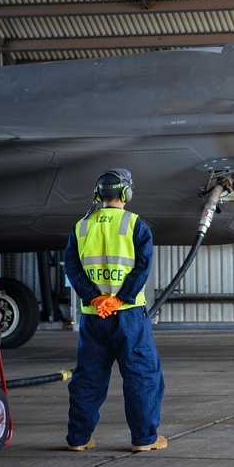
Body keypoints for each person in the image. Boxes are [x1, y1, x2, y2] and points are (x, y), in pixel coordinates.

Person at [63, 168, 166, 452]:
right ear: (126, 193)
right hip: (129, 315)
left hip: (94, 316)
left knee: (88, 377)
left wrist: (95, 298)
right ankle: (144, 439)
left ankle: (79, 439)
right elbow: (142, 266)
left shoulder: (81, 226)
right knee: (142, 375)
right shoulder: (135, 224)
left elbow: (72, 267)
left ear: (98, 194)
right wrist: (120, 299)